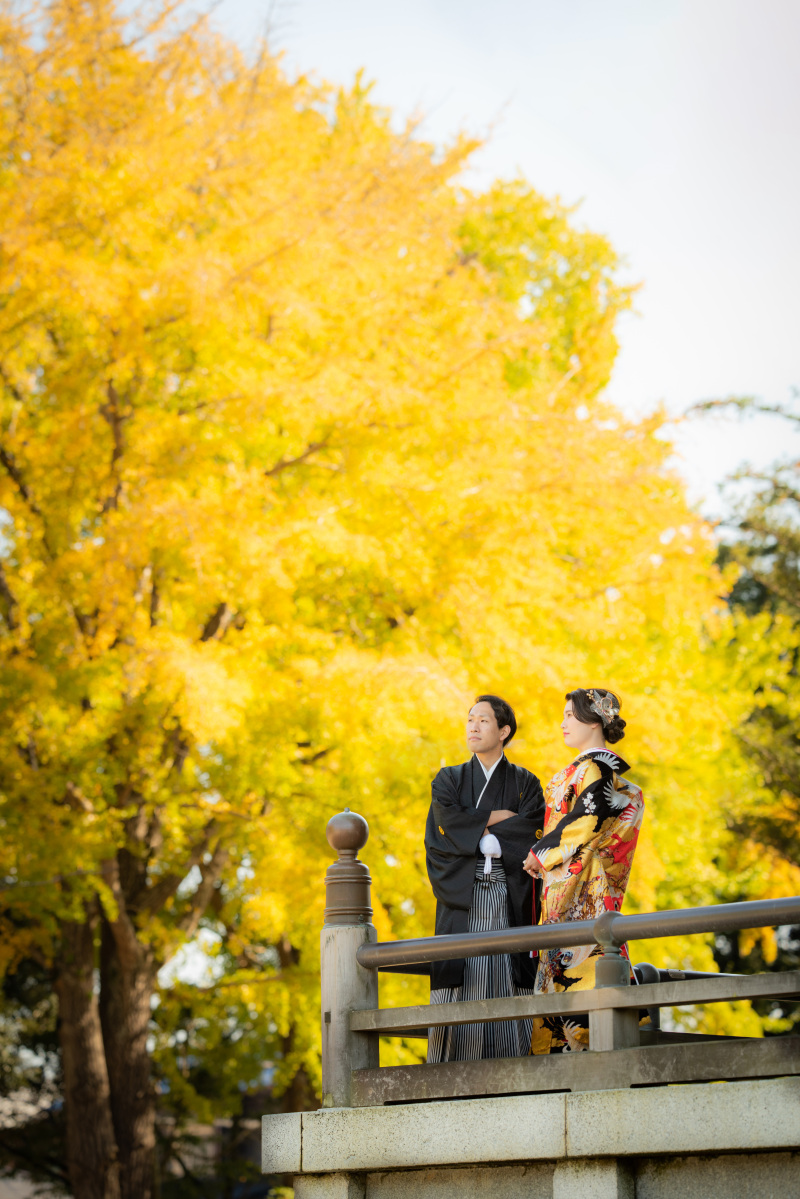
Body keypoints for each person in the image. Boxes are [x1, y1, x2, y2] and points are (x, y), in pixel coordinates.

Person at [523, 688, 644, 1055]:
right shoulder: (599, 771)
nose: (562, 724)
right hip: (582, 884)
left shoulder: (596, 769)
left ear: (594, 721)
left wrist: (541, 853)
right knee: (577, 968)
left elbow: (588, 819)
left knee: (581, 971)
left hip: (579, 887)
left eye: (570, 716)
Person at [425, 695, 545, 1062]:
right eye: (470, 720)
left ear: (504, 731)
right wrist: (496, 818)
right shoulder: (449, 779)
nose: (473, 727)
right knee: (460, 972)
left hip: (509, 891)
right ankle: (451, 1074)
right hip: (463, 892)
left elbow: (531, 830)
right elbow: (443, 827)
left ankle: (513, 1070)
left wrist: (476, 828)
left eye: (483, 721)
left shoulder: (526, 782)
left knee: (508, 970)